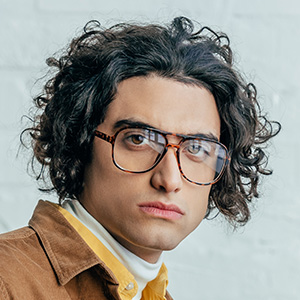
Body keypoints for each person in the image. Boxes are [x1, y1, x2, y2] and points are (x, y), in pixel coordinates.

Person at [0, 16, 280, 299]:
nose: (169, 180)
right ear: (79, 142)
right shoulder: (7, 279)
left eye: (196, 148)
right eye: (138, 139)